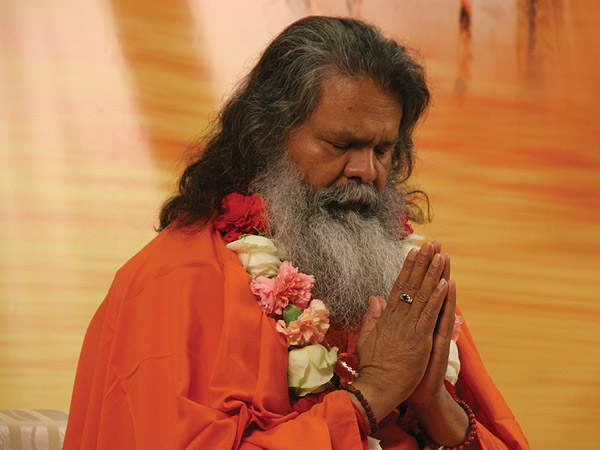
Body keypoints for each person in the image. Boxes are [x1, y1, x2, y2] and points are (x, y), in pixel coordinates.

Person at [63, 16, 529, 449]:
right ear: (267, 135)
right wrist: (373, 394)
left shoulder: (398, 280)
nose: (367, 171)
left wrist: (433, 404)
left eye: (383, 149)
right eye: (341, 144)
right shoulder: (175, 279)